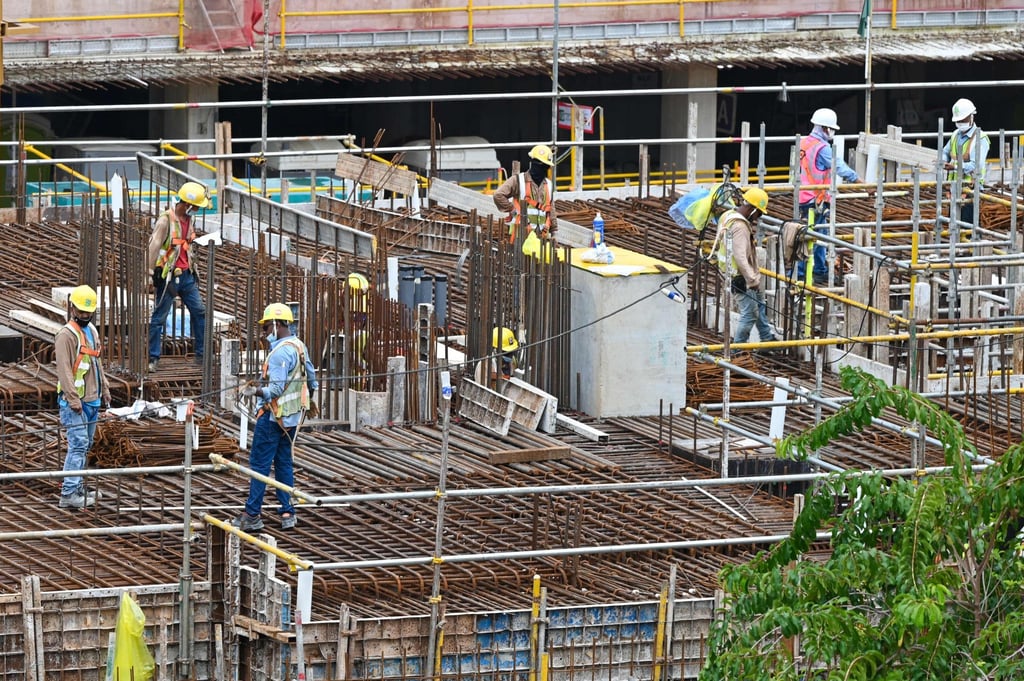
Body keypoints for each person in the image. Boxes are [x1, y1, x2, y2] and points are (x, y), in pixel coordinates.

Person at [235, 303, 319, 532]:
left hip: (273, 418)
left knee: (259, 466)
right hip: (291, 419)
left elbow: (276, 390)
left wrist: (255, 391)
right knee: (283, 463)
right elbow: (312, 379)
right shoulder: (298, 345)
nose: (264, 332)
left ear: (276, 325)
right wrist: (308, 402)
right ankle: (287, 511)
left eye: (266, 327)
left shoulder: (280, 352)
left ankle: (252, 514)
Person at [55, 285, 111, 509]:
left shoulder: (92, 332)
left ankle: (76, 485)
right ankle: (68, 494)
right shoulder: (65, 336)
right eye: (82, 311)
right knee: (78, 444)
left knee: (85, 446)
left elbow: (96, 363)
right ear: (73, 308)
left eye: (89, 312)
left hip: (92, 399)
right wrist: (73, 399)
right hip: (74, 402)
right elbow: (65, 371)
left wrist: (105, 388)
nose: (85, 316)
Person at [146, 181, 211, 373]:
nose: (198, 210)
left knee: (199, 312)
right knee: (159, 318)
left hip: (187, 275)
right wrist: (148, 275)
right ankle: (153, 358)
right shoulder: (166, 220)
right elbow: (153, 246)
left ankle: (201, 355)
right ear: (187, 204)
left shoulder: (189, 219)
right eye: (196, 206)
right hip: (168, 276)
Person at [798, 108, 862, 286]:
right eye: (831, 129)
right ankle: (818, 271)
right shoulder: (822, 148)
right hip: (817, 199)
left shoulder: (803, 143)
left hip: (803, 197)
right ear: (825, 128)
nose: (832, 132)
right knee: (820, 236)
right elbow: (839, 166)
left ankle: (802, 272)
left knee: (805, 235)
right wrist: (859, 181)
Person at [716, 188, 781, 345]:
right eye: (759, 214)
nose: (758, 218)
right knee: (750, 313)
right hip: (739, 276)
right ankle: (738, 349)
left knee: (759, 303)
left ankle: (766, 337)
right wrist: (751, 279)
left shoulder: (728, 215)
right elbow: (740, 256)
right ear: (752, 210)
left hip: (730, 271)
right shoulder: (739, 226)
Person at [493, 144, 558, 243]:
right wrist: (512, 209)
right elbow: (498, 195)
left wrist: (554, 233)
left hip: (541, 237)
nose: (542, 168)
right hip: (521, 237)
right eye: (539, 165)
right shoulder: (518, 180)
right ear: (533, 163)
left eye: (545, 166)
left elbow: (551, 208)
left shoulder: (549, 185)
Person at [942, 97, 989, 229]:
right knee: (954, 228)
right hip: (953, 189)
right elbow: (945, 151)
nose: (960, 123)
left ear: (971, 117)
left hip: (970, 191)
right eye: (958, 121)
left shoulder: (981, 139)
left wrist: (954, 167)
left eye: (963, 120)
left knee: (968, 228)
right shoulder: (955, 135)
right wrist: (943, 160)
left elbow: (976, 166)